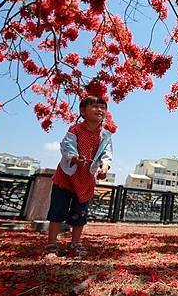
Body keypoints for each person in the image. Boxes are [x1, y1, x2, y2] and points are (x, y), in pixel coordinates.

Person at [43, 95, 113, 258]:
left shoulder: (105, 135)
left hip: (86, 180)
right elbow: (67, 145)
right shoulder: (75, 129)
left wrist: (104, 167)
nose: (99, 110)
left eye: (102, 107)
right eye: (94, 106)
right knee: (57, 211)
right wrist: (74, 157)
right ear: (83, 111)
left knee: (80, 213)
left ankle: (75, 243)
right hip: (66, 178)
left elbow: (106, 154)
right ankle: (52, 244)